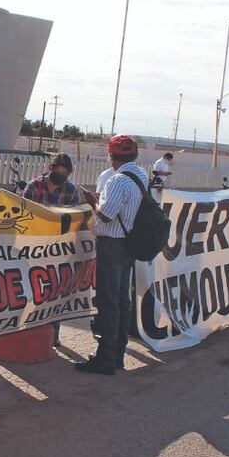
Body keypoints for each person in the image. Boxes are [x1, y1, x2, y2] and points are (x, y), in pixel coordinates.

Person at [74, 135, 148, 375]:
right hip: (129, 243)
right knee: (122, 301)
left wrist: (91, 201)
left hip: (112, 244)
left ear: (111, 156)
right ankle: (117, 355)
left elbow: (105, 215)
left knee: (108, 302)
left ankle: (105, 359)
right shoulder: (141, 176)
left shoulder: (117, 180)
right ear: (135, 155)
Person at [21, 152, 86, 351]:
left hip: (58, 250)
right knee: (32, 290)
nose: (61, 177)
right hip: (34, 247)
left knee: (56, 293)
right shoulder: (34, 186)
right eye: (59, 172)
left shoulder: (71, 190)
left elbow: (76, 219)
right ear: (51, 168)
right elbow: (22, 213)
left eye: (65, 174)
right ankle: (28, 332)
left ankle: (53, 335)